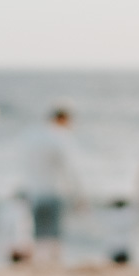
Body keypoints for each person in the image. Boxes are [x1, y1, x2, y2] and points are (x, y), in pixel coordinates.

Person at [20, 106, 81, 264]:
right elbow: (68, 169)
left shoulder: (32, 136)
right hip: (54, 190)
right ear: (62, 119)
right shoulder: (60, 137)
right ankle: (53, 264)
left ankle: (39, 263)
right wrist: (78, 193)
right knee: (55, 234)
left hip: (34, 191)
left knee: (38, 233)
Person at [0, 189, 35, 264]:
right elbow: (23, 231)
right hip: (16, 247)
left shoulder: (7, 210)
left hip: (12, 246)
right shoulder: (22, 210)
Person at [102, 198, 137, 265]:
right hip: (125, 245)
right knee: (125, 266)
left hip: (114, 245)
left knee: (114, 266)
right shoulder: (129, 215)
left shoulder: (110, 215)